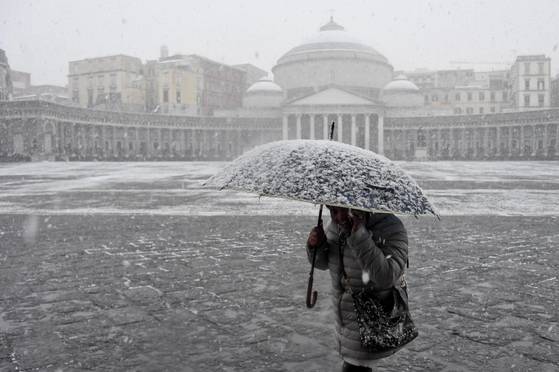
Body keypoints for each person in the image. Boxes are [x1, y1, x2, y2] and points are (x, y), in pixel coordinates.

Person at [306, 206, 409, 372]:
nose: (337, 217)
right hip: (345, 317)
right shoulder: (335, 225)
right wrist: (316, 246)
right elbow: (324, 263)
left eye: (342, 211)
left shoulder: (390, 227)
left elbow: (386, 276)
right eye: (332, 211)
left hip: (372, 319)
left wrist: (359, 235)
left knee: (356, 367)